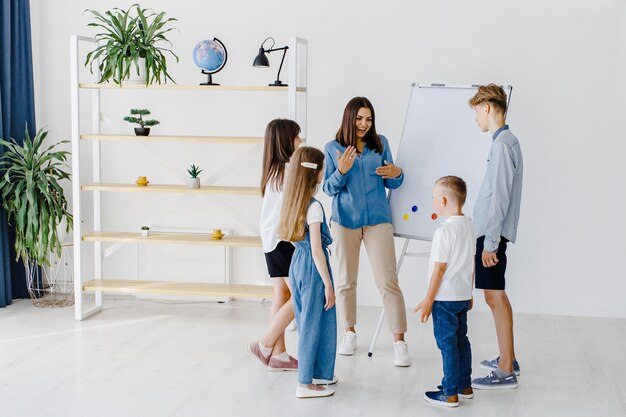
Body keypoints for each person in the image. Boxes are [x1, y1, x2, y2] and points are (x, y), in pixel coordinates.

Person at [323, 97, 410, 367]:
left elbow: (393, 179)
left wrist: (397, 173)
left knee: (388, 281)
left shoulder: (380, 143)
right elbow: (327, 189)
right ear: (349, 118)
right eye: (359, 118)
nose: (364, 124)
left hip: (377, 221)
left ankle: (399, 341)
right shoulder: (332, 148)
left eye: (368, 119)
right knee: (346, 281)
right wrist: (341, 171)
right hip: (345, 221)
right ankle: (349, 333)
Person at [468, 84, 523, 390]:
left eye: (477, 111)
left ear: (487, 107)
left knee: (494, 295)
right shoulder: (505, 141)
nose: (476, 117)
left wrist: (490, 243)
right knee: (494, 293)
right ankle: (508, 358)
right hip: (493, 231)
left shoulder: (502, 144)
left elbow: (500, 196)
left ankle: (506, 369)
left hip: (492, 234)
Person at [277, 146, 337, 398]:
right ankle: (305, 383)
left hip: (297, 264)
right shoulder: (314, 207)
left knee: (307, 319)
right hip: (313, 268)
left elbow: (301, 244)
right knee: (314, 321)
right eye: (324, 166)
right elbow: (316, 250)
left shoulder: (293, 201)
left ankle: (320, 373)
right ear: (316, 172)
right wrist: (328, 284)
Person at [415, 176, 475, 408]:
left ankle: (450, 393)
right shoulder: (468, 224)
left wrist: (429, 300)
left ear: (442, 201)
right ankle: (464, 385)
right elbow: (470, 262)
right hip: (461, 296)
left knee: (447, 344)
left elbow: (440, 268)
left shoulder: (443, 232)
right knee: (461, 340)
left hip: (445, 298)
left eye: (432, 197)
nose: (431, 200)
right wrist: (469, 293)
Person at [249, 119, 301, 372]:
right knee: (302, 295)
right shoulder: (288, 170)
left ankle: (279, 356)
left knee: (282, 295)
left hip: (272, 241)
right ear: (286, 140)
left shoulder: (273, 170)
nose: (301, 141)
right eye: (298, 137)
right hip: (283, 241)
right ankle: (266, 343)